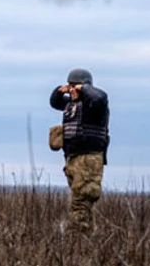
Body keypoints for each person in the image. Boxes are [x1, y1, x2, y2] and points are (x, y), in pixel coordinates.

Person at [50, 68, 109, 234]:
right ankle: (87, 237)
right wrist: (59, 90)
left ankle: (76, 239)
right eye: (70, 86)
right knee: (80, 200)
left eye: (75, 86)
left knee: (81, 201)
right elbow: (54, 102)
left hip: (89, 159)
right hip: (72, 158)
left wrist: (83, 88)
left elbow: (100, 97)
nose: (72, 90)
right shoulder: (71, 105)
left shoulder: (95, 106)